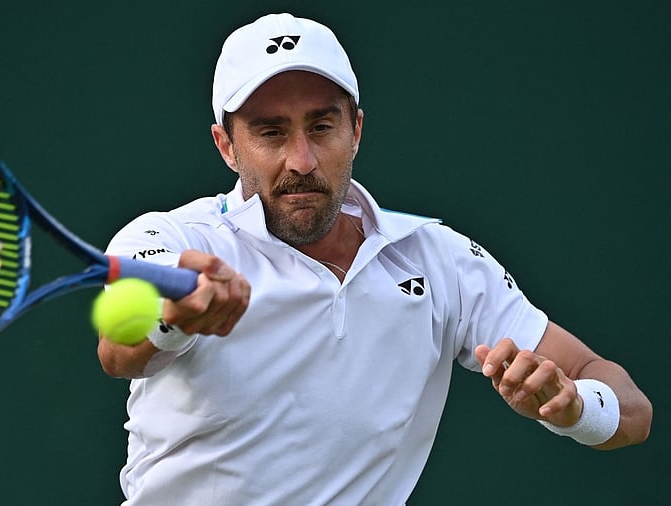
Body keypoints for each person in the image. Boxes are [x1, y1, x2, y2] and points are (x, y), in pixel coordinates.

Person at [96, 12, 652, 505]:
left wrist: (574, 406)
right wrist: (176, 319)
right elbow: (120, 350)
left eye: (322, 125)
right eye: (271, 132)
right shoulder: (168, 237)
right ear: (226, 145)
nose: (303, 159)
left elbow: (632, 410)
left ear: (355, 129)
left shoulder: (441, 261)